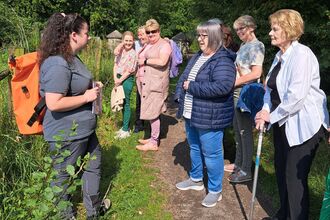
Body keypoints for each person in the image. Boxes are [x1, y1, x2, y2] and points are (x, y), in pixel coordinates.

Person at [255, 9, 329, 220]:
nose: (270, 32)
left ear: (288, 30)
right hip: (283, 122)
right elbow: (269, 89)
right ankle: (283, 214)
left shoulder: (302, 55)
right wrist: (265, 110)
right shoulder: (279, 56)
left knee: (293, 178)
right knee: (281, 172)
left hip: (304, 125)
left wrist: (271, 116)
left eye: (274, 28)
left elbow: (296, 97)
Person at [38, 13, 106, 219]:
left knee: (94, 165)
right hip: (67, 134)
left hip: (85, 129)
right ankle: (65, 216)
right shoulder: (57, 63)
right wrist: (87, 97)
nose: (90, 36)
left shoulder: (72, 58)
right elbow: (54, 102)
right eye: (87, 32)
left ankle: (93, 211)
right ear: (74, 35)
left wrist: (92, 88)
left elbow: (74, 87)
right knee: (62, 178)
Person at [175, 21, 236, 208]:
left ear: (215, 37)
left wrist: (192, 87)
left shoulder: (223, 59)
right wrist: (179, 94)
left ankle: (215, 190)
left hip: (210, 115)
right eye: (198, 35)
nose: (199, 39)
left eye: (204, 35)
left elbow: (223, 86)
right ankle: (196, 179)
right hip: (192, 112)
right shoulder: (198, 57)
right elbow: (184, 77)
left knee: (212, 153)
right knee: (194, 147)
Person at [226, 15, 265, 183]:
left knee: (244, 131)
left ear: (251, 28)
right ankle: (238, 163)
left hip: (244, 92)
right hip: (236, 91)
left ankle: (246, 170)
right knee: (237, 129)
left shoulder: (257, 46)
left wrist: (233, 83)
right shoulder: (244, 45)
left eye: (242, 28)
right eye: (237, 30)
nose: (239, 32)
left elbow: (256, 73)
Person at [135, 19, 172, 151]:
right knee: (150, 111)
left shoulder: (164, 45)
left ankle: (154, 142)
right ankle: (151, 138)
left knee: (154, 112)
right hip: (146, 83)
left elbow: (162, 61)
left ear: (159, 31)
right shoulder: (149, 44)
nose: (150, 34)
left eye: (153, 31)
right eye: (148, 32)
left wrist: (145, 60)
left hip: (156, 84)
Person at [113, 31, 138, 139]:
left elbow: (129, 71)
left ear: (133, 41)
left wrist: (119, 81)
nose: (128, 43)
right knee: (121, 102)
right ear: (123, 41)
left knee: (126, 102)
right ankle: (124, 126)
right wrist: (115, 78)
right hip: (118, 78)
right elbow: (115, 64)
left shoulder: (133, 54)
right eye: (126, 40)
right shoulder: (120, 51)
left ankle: (125, 130)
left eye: (130, 41)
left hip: (127, 79)